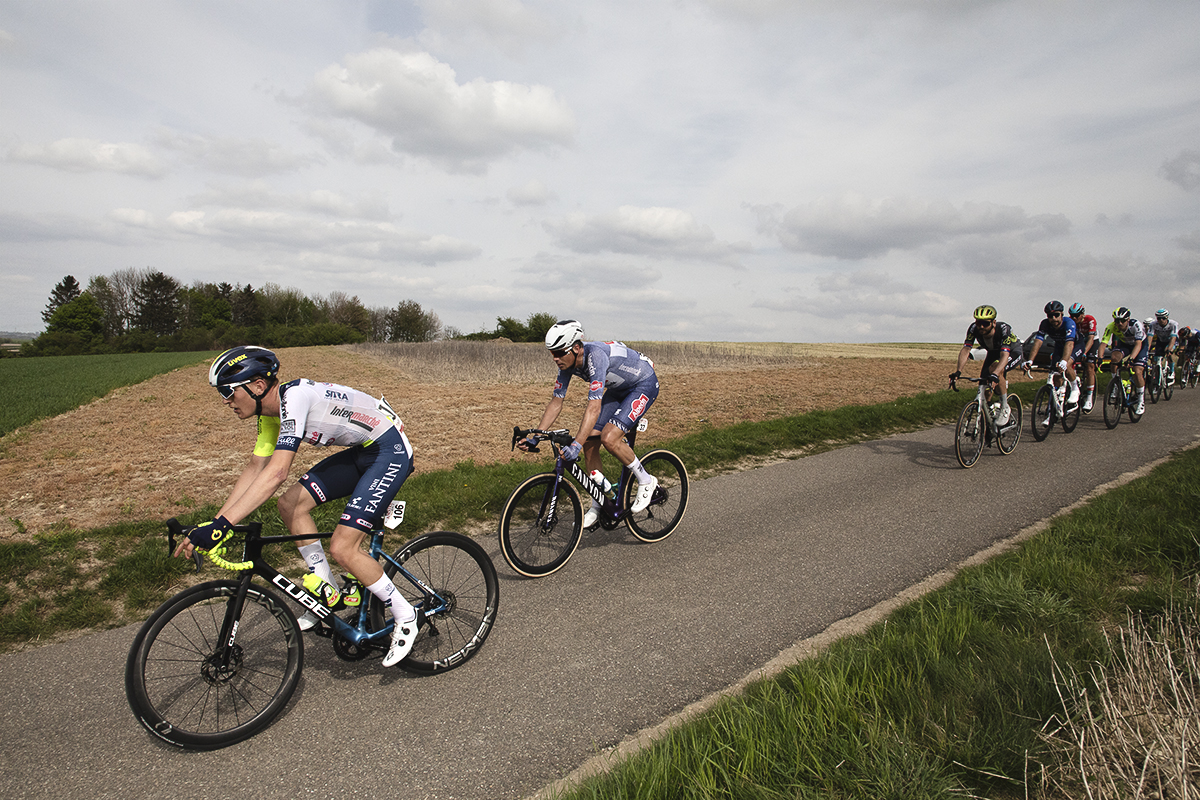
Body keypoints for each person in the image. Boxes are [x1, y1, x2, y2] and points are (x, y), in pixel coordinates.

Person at [174, 346, 419, 667]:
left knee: (344, 548)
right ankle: (326, 590)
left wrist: (223, 526)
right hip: (363, 450)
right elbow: (255, 471)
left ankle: (405, 614)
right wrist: (217, 523)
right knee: (290, 505)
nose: (225, 401)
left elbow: (276, 472)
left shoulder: (296, 399)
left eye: (228, 391)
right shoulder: (269, 416)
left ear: (258, 386)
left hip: (389, 450)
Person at [519, 320, 660, 529]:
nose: (555, 358)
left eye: (559, 352)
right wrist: (536, 436)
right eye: (552, 353)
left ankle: (646, 480)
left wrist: (574, 444)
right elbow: (556, 402)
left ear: (576, 348)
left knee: (609, 438)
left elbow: (593, 407)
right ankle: (598, 503)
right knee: (590, 442)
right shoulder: (567, 363)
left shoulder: (596, 356)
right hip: (619, 389)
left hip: (643, 384)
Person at [949, 304, 1023, 424]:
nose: (981, 326)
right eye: (979, 323)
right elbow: (966, 349)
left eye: (986, 323)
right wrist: (958, 371)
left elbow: (1004, 356)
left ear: (993, 323)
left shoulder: (1004, 329)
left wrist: (996, 373)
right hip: (993, 353)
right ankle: (988, 422)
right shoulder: (973, 329)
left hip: (1011, 352)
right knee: (984, 387)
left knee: (995, 371)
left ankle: (1004, 407)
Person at [1024, 300, 1080, 405]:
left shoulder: (1069, 323)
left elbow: (1069, 344)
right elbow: (1038, 342)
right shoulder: (1045, 324)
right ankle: (1056, 406)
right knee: (1056, 373)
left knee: (1066, 365)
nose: (1054, 318)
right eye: (1050, 316)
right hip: (1060, 346)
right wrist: (1030, 360)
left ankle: (1075, 388)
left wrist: (1064, 360)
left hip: (1075, 345)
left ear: (1062, 314)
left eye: (1056, 315)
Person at [1097, 307, 1148, 414]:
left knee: (1137, 370)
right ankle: (1116, 384)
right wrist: (1100, 358)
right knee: (1114, 358)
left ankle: (1140, 400)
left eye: (1122, 321)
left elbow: (1138, 344)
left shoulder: (1136, 325)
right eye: (1117, 321)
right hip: (1125, 344)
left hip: (1139, 345)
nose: (1119, 323)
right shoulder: (1111, 326)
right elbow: (1103, 344)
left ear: (1128, 319)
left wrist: (1131, 359)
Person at [1067, 303, 1099, 411]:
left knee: (1090, 366)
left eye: (1076, 315)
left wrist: (1084, 352)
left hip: (1091, 341)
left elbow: (1090, 339)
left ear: (1082, 314)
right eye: (1072, 315)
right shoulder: (1071, 321)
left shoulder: (1090, 320)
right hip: (1079, 341)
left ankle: (1089, 398)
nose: (1074, 318)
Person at [1147, 308, 1179, 385]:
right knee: (1156, 360)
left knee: (1168, 353)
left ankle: (1171, 371)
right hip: (1160, 341)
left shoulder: (1173, 324)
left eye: (1163, 318)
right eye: (1159, 318)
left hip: (1171, 341)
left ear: (1167, 317)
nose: (1161, 320)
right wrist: (1147, 349)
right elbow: (1150, 337)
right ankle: (1157, 382)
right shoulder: (1153, 324)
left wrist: (1169, 349)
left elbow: (1173, 338)